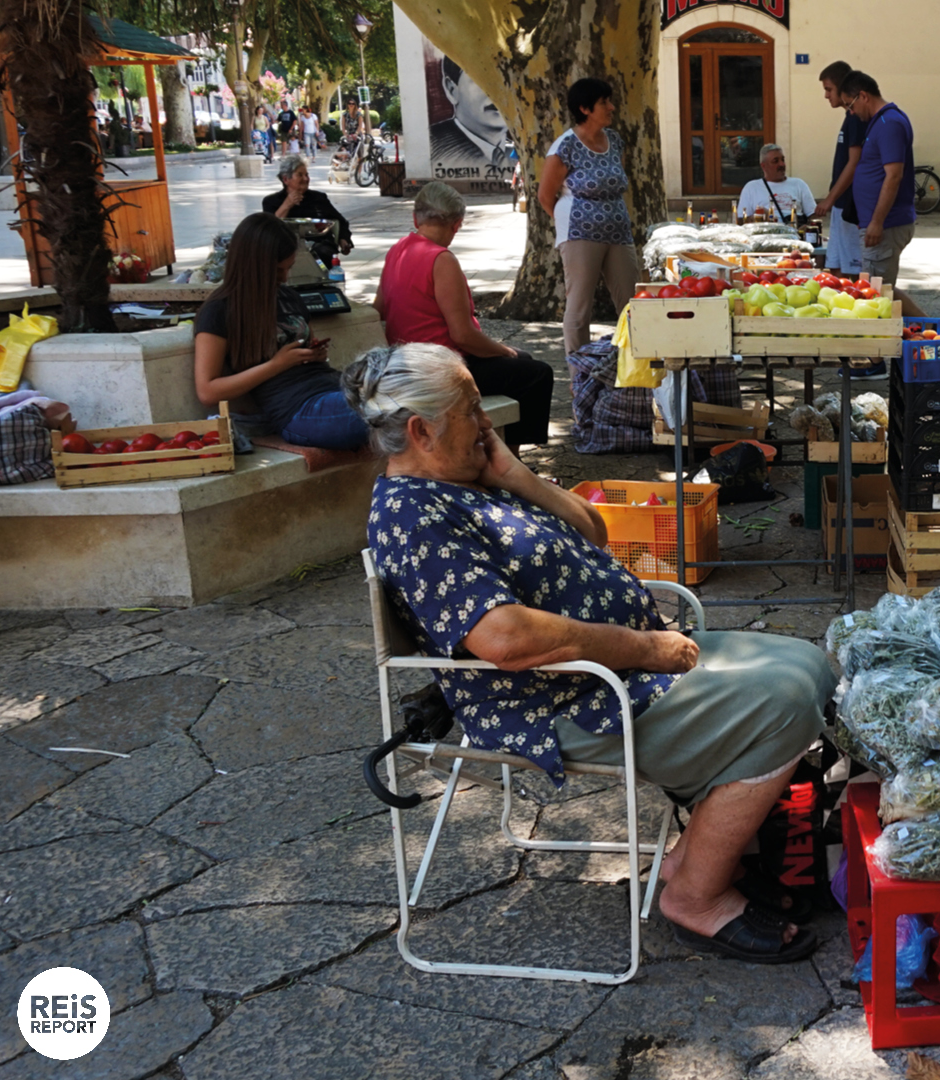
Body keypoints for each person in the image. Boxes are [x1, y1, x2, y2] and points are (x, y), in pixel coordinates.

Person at [349, 342, 831, 963]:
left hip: (613, 672)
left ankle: (692, 856)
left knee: (807, 665)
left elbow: (595, 530)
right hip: (569, 699)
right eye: (472, 409)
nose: (488, 420)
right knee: (786, 704)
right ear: (420, 431)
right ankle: (694, 898)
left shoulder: (470, 478)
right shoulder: (415, 516)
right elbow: (505, 639)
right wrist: (643, 648)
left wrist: (517, 476)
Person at [375, 182, 555, 453]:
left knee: (523, 362)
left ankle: (503, 449)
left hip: (407, 361)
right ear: (457, 224)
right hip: (440, 367)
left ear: (415, 218)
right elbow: (463, 336)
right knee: (537, 373)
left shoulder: (398, 249)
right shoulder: (441, 259)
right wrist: (503, 350)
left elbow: (379, 308)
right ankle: (511, 460)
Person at [192, 213, 367, 451]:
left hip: (333, 388)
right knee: (401, 410)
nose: (284, 278)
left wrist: (312, 354)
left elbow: (307, 348)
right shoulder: (219, 310)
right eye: (276, 271)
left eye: (289, 268)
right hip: (298, 409)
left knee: (417, 393)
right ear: (252, 265)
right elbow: (207, 391)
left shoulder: (289, 297)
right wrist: (276, 365)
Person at [537, 77, 639, 355]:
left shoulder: (615, 141)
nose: (612, 107)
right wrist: (571, 225)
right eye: (604, 102)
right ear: (585, 109)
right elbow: (545, 196)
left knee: (633, 303)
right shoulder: (565, 146)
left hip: (618, 233)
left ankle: (634, 368)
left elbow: (616, 182)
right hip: (580, 235)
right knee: (580, 307)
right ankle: (578, 376)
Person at [842, 70, 924, 317]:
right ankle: (931, 328)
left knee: (877, 294)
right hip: (877, 224)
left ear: (863, 96)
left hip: (885, 225)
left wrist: (877, 222)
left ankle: (931, 330)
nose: (850, 112)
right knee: (881, 290)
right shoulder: (880, 122)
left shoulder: (890, 124)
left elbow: (894, 175)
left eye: (850, 105)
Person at [814, 61, 864, 277]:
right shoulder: (849, 118)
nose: (826, 96)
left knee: (855, 273)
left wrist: (830, 199)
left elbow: (854, 164)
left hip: (849, 205)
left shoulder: (856, 119)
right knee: (835, 269)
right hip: (840, 205)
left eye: (829, 89)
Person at [430, 55, 514, 176]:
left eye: (506, 80)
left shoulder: (524, 150)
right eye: (481, 80)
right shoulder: (434, 147)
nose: (497, 92)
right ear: (451, 90)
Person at [263, 155, 353, 265]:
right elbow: (269, 230)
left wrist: (343, 239)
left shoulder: (318, 198)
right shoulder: (271, 202)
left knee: (322, 253)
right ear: (285, 179)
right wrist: (287, 205)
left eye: (307, 174)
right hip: (286, 247)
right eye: (300, 175)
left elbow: (340, 221)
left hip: (320, 245)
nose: (306, 179)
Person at [735, 143, 815, 225]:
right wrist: (757, 217)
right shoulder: (751, 187)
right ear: (764, 166)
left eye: (782, 160)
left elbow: (813, 215)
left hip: (795, 233)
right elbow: (741, 221)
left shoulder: (799, 184)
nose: (782, 164)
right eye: (775, 161)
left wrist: (807, 227)